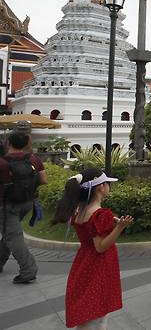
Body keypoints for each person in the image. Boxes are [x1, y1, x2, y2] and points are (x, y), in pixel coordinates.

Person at [52, 168, 133, 328]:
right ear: (100, 187)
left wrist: (112, 223)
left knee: (88, 310)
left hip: (83, 263)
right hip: (98, 266)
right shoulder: (101, 214)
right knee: (98, 312)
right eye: (107, 183)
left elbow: (90, 232)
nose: (109, 186)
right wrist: (120, 228)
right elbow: (100, 247)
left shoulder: (79, 210)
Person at [0, 130, 47, 284]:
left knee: (13, 236)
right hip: (27, 203)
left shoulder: (2, 162)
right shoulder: (33, 159)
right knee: (9, 233)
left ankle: (28, 271)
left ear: (8, 143)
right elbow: (43, 180)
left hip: (7, 205)